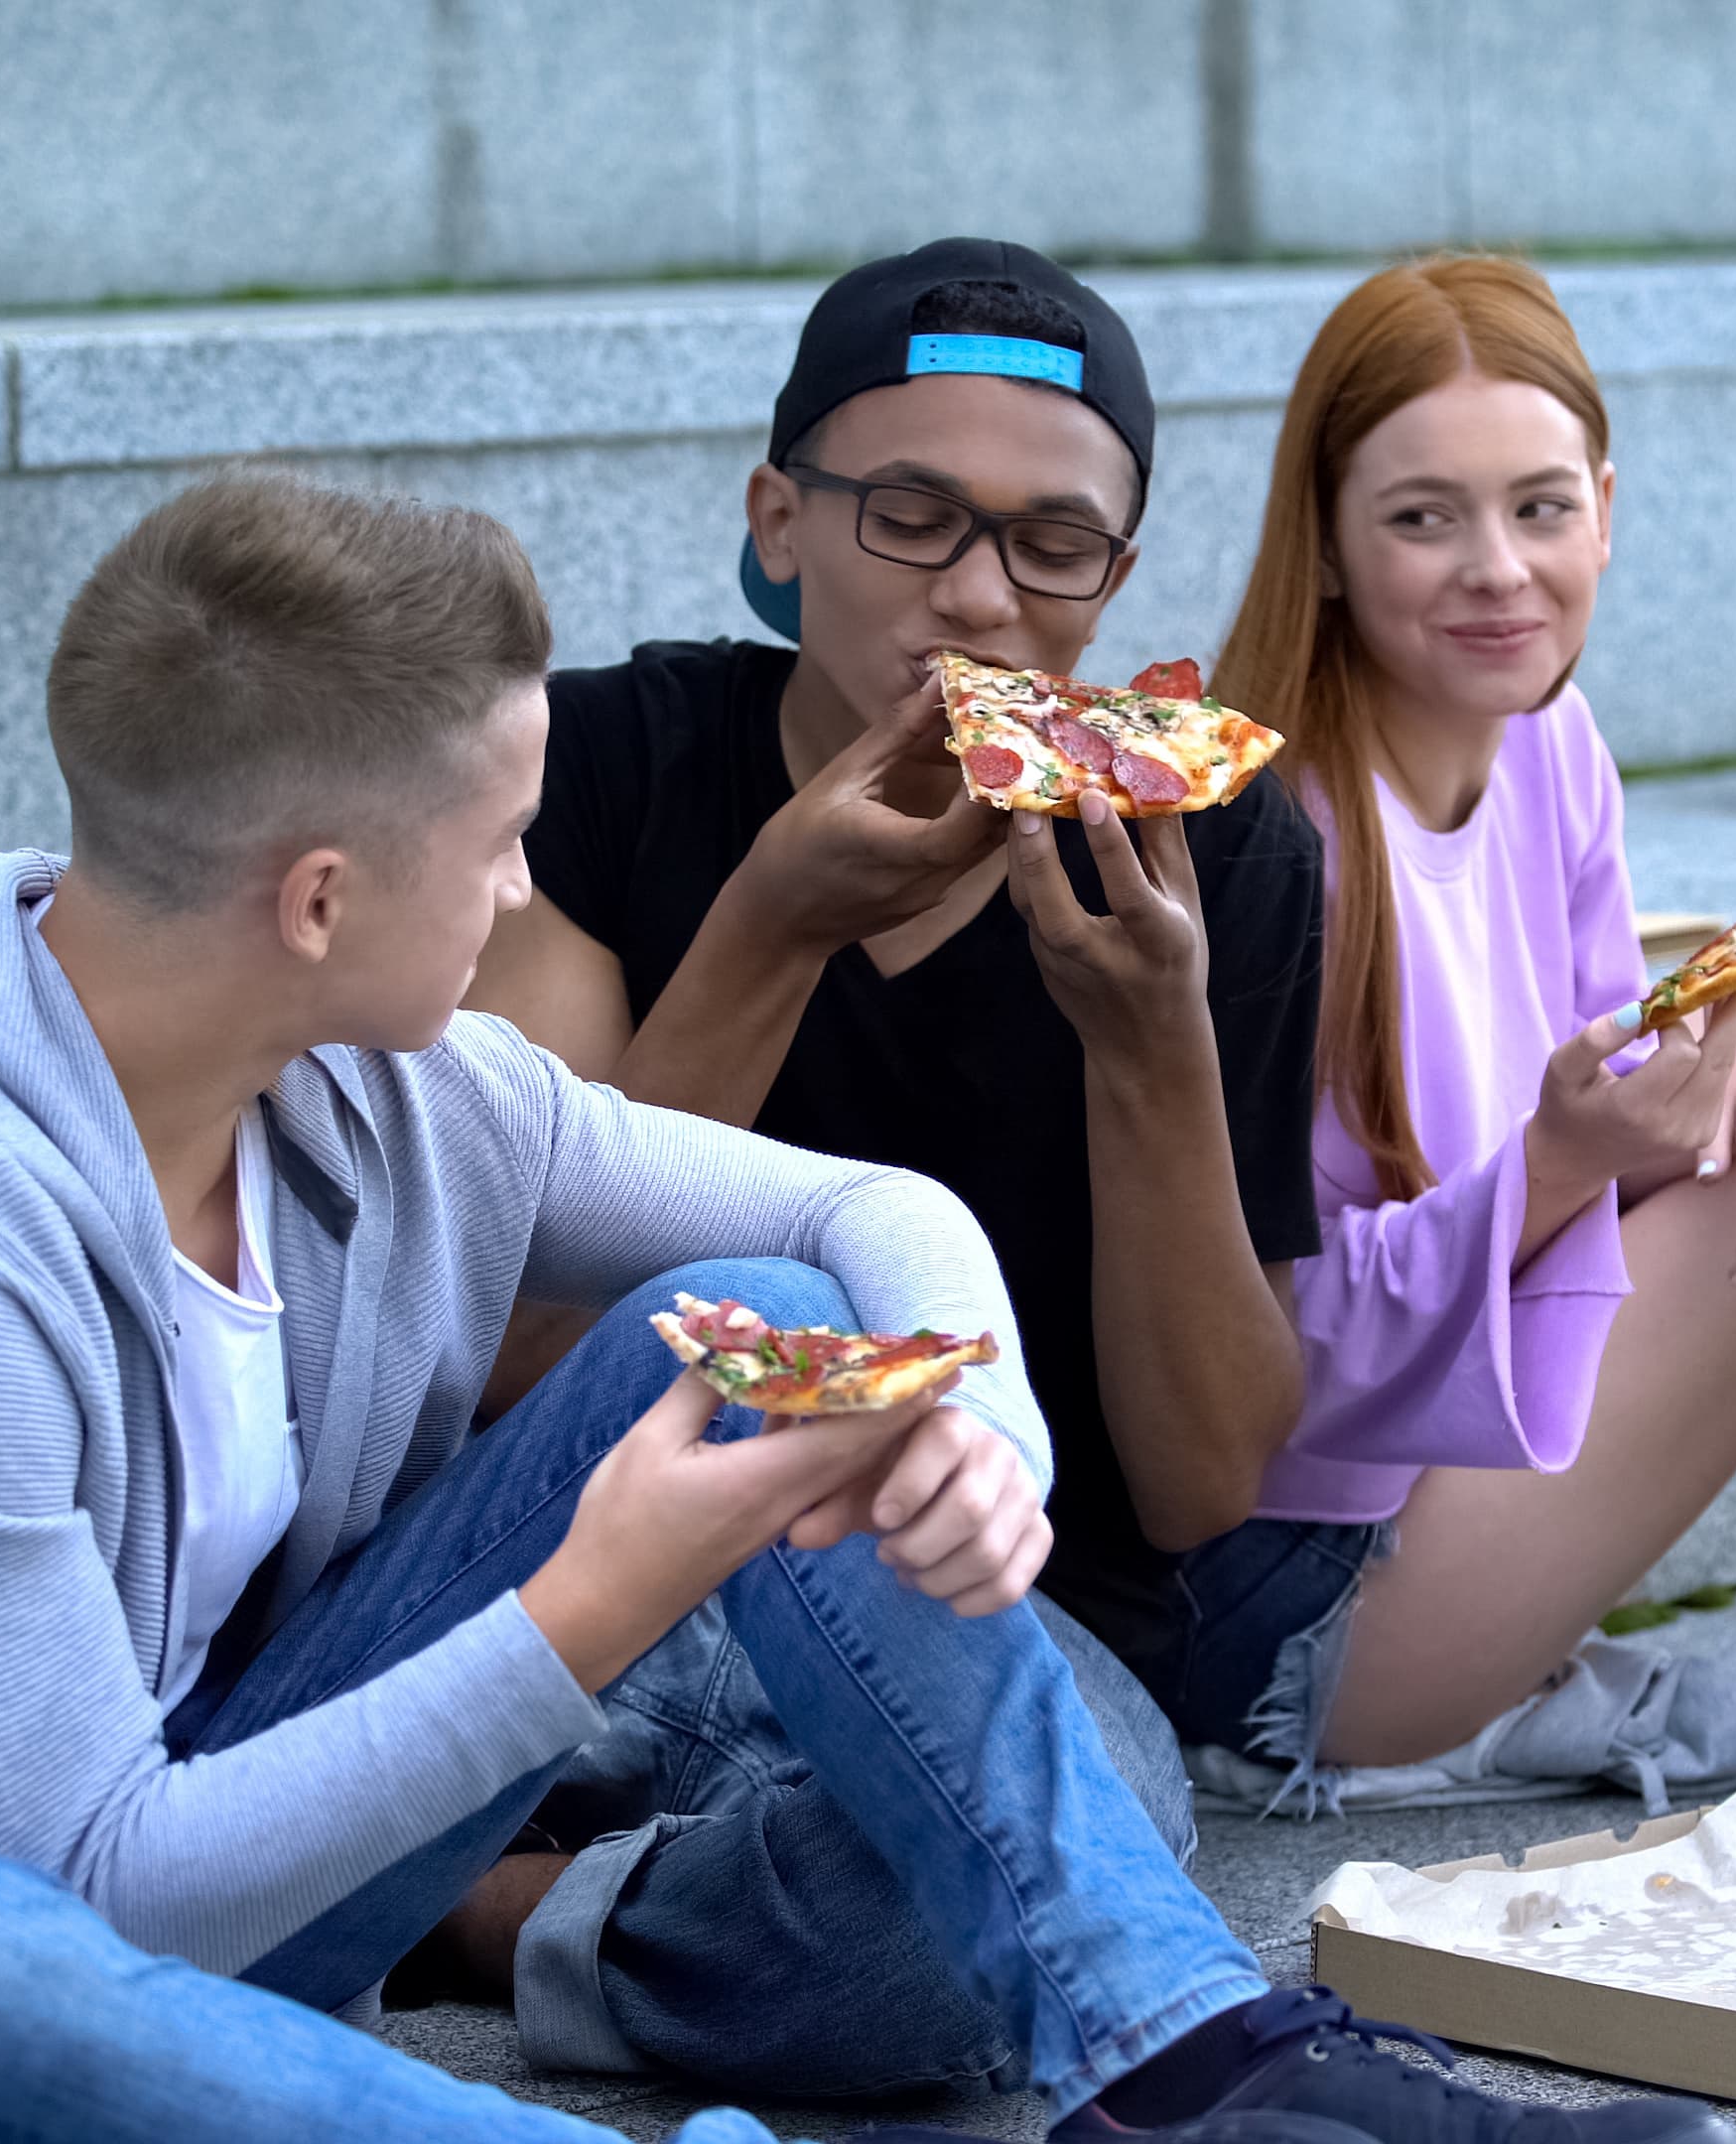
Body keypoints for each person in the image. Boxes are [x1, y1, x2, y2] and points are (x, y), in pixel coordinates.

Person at [0, 469, 1723, 2144]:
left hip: (215, 1869)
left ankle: (1185, 2059)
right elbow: (104, 1893)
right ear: (319, 896)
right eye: (500, 841)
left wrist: (977, 1434)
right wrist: (584, 1612)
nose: (530, 887)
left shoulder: (385, 1085)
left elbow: (866, 1208)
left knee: (754, 1315)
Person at [455, 240, 1329, 1986]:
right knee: (1036, 1888)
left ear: (1115, 580)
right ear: (780, 521)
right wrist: (770, 932)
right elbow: (509, 1364)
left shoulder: (1217, 852)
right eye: (911, 518)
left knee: (980, 1915)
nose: (980, 597)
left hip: (1002, 1616)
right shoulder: (604, 766)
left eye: (1052, 544)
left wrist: (1151, 1051)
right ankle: (604, 1879)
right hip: (606, 1580)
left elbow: (1201, 1483)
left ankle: (470, 1907)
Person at [1134, 254, 1736, 1816]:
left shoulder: (1547, 737)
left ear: (1608, 511)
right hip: (1306, 1598)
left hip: (1446, 1477)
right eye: (1423, 518)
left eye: (1541, 507)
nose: (1498, 570)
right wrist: (1562, 1169)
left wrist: (1726, 1065)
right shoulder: (1269, 851)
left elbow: (1599, 1041)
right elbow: (1259, 1371)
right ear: (1329, 542)